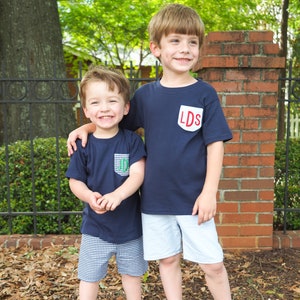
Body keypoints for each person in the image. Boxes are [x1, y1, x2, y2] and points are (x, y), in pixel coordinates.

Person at [68, 4, 232, 300]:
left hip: (194, 198)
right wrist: (85, 129)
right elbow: (113, 123)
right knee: (167, 260)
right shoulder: (144, 96)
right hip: (155, 200)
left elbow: (215, 143)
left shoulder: (204, 93)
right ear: (156, 48)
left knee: (213, 264)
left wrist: (210, 192)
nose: (185, 49)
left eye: (192, 42)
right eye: (176, 41)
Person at [66, 66, 147, 300]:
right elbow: (75, 181)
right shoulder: (83, 144)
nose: (104, 108)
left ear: (126, 107)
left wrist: (118, 195)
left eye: (112, 101)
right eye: (95, 103)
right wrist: (89, 196)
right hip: (95, 229)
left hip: (130, 228)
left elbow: (137, 174)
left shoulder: (132, 141)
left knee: (132, 276)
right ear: (86, 111)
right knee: (89, 277)